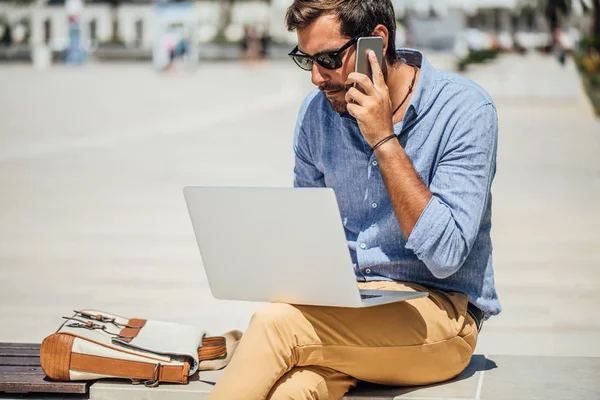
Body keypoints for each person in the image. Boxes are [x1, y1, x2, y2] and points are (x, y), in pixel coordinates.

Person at [207, 1, 501, 399]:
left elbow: (446, 256)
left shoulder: (463, 110)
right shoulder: (317, 115)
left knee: (276, 324)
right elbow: (309, 238)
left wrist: (383, 139)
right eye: (304, 59)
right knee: (291, 391)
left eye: (328, 58)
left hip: (442, 315)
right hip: (349, 309)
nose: (315, 77)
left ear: (376, 43)